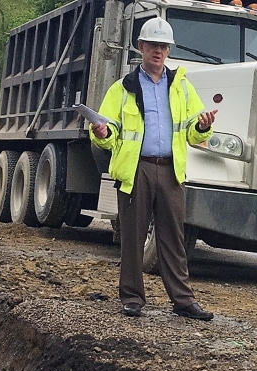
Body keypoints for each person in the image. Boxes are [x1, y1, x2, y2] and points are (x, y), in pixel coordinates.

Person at [90, 18, 218, 321]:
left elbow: (194, 132)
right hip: (138, 170)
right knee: (132, 237)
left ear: (168, 50)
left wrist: (203, 127)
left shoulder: (182, 86)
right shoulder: (123, 88)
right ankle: (132, 298)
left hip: (171, 171)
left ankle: (183, 301)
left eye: (163, 46)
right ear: (141, 47)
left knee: (173, 237)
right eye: (153, 46)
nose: (158, 51)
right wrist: (102, 133)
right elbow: (108, 131)